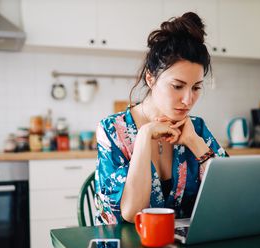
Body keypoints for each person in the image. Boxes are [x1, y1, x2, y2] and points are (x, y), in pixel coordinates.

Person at [94, 12, 228, 225]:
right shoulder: (112, 130)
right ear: (150, 78)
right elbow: (131, 212)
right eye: (177, 86)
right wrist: (145, 136)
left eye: (196, 87)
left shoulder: (197, 128)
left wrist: (194, 142)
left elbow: (230, 196)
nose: (188, 100)